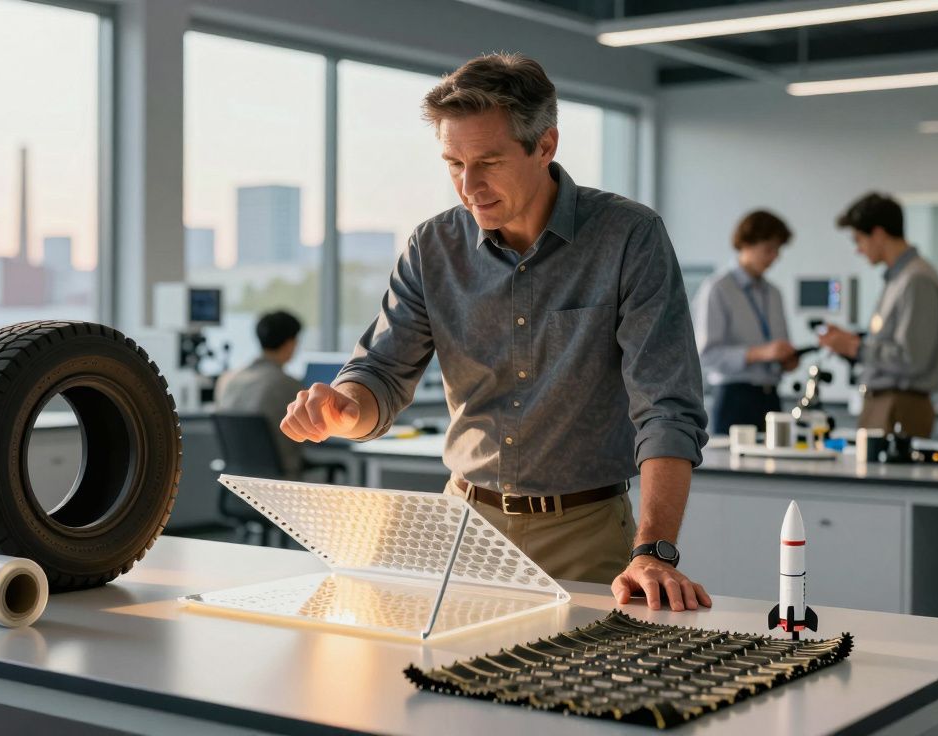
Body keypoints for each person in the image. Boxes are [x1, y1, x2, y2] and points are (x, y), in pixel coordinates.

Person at [280, 53, 711, 612]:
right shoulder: (433, 248)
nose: (469, 185)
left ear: (545, 146)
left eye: (488, 161)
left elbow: (667, 408)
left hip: (585, 531)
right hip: (464, 530)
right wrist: (344, 406)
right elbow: (381, 373)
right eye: (453, 163)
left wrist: (653, 550)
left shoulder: (629, 238)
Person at [818, 192, 938, 438]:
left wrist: (855, 348)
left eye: (859, 240)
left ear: (878, 234)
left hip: (900, 406)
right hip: (883, 403)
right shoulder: (897, 279)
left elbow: (911, 357)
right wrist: (853, 343)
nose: (858, 249)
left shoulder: (916, 279)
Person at [692, 210, 798, 435]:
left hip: (771, 398)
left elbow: (778, 346)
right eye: (769, 249)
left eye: (778, 250)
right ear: (746, 244)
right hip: (734, 398)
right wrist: (762, 353)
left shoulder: (774, 293)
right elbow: (707, 355)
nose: (774, 257)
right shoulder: (718, 288)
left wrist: (786, 360)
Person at [215, 310, 306, 478]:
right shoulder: (288, 385)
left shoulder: (229, 380)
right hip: (280, 481)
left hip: (240, 481)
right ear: (290, 343)